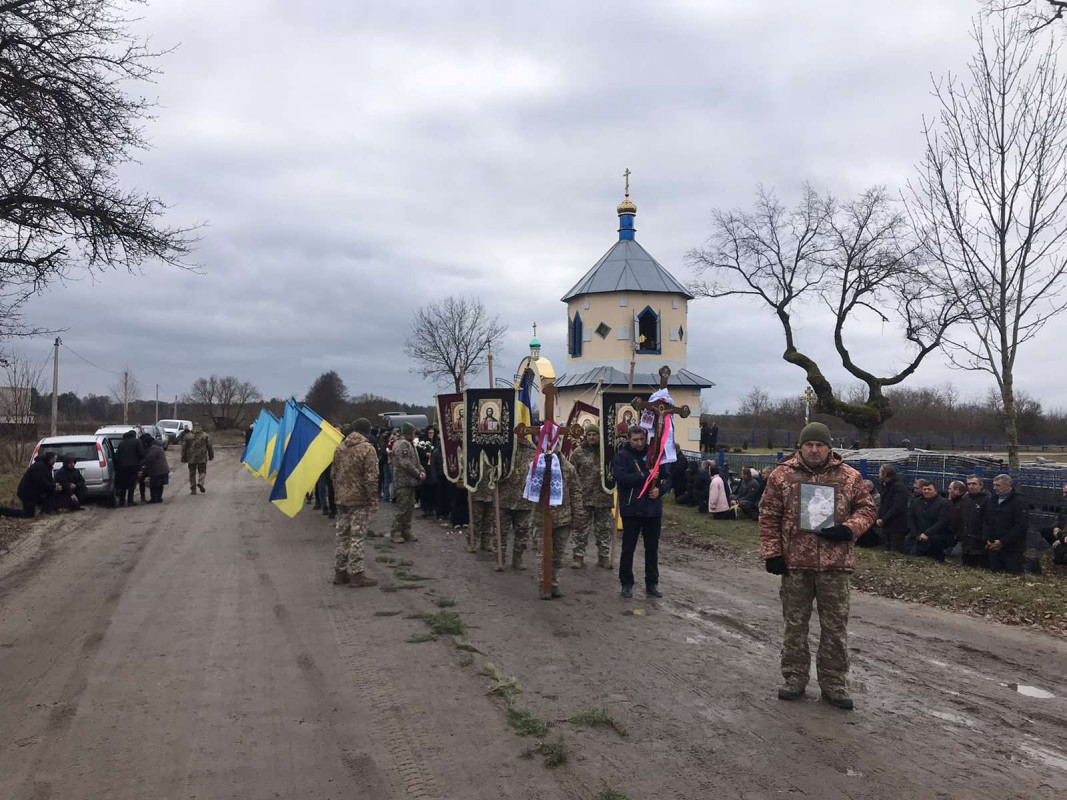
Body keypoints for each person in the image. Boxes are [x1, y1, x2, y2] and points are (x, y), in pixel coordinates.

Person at [759, 422, 876, 712]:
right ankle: (795, 677)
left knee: (835, 628)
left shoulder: (849, 477)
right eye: (808, 444)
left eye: (819, 445)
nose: (814, 450)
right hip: (795, 565)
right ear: (800, 446)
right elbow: (768, 515)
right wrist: (772, 553)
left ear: (829, 447)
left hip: (835, 565)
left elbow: (868, 509)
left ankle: (834, 682)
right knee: (795, 625)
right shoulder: (782, 475)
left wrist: (849, 529)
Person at [614, 425, 670, 599]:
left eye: (641, 439)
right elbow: (622, 479)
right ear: (628, 439)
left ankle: (652, 583)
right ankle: (627, 583)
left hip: (652, 511)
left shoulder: (655, 455)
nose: (639, 443)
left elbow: (667, 478)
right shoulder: (622, 457)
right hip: (632, 509)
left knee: (652, 549)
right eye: (635, 440)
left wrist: (659, 490)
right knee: (628, 549)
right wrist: (645, 475)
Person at [331, 419, 379, 588]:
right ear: (367, 430)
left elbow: (333, 474)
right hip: (359, 500)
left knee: (342, 535)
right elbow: (371, 478)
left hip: (341, 499)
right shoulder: (367, 449)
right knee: (357, 536)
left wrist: (338, 493)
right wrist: (373, 500)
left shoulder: (340, 448)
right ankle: (357, 574)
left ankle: (340, 572)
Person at [532, 448, 585, 598]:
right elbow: (529, 488)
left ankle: (554, 583)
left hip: (563, 518)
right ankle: (544, 585)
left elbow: (575, 492)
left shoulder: (568, 468)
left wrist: (578, 515)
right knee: (543, 553)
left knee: (558, 555)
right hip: (542, 518)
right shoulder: (536, 466)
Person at [568, 424, 613, 569]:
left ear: (599, 436)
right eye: (589, 435)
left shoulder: (606, 452)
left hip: (603, 497)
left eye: (594, 434)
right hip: (583, 497)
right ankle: (578, 556)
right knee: (580, 528)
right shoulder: (578, 453)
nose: (592, 437)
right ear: (585, 437)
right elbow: (571, 474)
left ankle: (604, 556)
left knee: (603, 529)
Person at [498, 438, 535, 570]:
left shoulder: (534, 452)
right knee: (501, 531)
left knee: (522, 531)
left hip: (525, 500)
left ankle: (517, 558)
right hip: (505, 498)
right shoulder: (504, 449)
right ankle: (500, 559)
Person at [389, 422, 424, 543]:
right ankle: (396, 532)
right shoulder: (401, 444)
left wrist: (422, 470)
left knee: (409, 508)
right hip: (403, 481)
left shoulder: (410, 444)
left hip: (411, 482)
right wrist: (417, 473)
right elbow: (405, 463)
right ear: (410, 432)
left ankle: (406, 530)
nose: (415, 434)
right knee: (402, 508)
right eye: (413, 432)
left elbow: (416, 461)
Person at [987, 474, 1028, 574]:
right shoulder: (993, 499)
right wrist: (988, 539)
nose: (994, 488)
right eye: (994, 485)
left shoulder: (1019, 501)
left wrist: (1002, 542)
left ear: (1008, 485)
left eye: (998, 485)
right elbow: (987, 520)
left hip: (1012, 547)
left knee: (1012, 573)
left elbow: (1020, 526)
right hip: (994, 545)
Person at [907, 480, 951, 561]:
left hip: (936, 536)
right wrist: (916, 534)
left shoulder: (943, 503)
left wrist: (927, 533)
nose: (926, 491)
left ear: (936, 491)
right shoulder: (916, 502)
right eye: (924, 489)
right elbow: (911, 517)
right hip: (919, 535)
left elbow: (942, 521)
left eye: (929, 489)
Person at [959, 475, 992, 568]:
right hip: (966, 542)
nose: (971, 486)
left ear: (981, 485)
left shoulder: (988, 499)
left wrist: (985, 539)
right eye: (969, 484)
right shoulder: (966, 498)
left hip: (980, 543)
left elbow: (988, 522)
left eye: (974, 484)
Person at [875, 464, 909, 553]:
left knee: (895, 551)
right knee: (887, 549)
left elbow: (898, 507)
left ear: (885, 474)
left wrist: (884, 519)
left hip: (897, 525)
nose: (878, 474)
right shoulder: (884, 485)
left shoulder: (899, 487)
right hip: (887, 525)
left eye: (880, 472)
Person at [180, 424, 214, 495]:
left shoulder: (187, 436)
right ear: (200, 428)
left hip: (191, 457)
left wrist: (183, 458)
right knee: (202, 471)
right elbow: (210, 447)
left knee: (192, 472)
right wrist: (211, 456)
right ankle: (200, 482)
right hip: (202, 457)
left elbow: (183, 448)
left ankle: (193, 489)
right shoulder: (205, 435)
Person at [1039, 482, 1067, 566]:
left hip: (1064, 535)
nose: (1064, 495)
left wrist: (1061, 538)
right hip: (1063, 533)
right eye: (1064, 492)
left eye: (1066, 493)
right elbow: (1060, 517)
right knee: (1046, 531)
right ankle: (1061, 553)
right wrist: (1056, 527)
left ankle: (1062, 554)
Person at [115, 429, 145, 506]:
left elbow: (117, 456)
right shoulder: (137, 442)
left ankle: (121, 501)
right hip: (133, 466)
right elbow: (141, 453)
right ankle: (130, 501)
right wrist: (141, 463)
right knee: (132, 484)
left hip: (122, 467)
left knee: (123, 484)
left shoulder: (121, 443)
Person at [140, 437, 170, 503]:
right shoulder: (158, 446)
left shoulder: (153, 448)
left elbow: (150, 458)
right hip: (163, 469)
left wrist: (140, 463)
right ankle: (159, 498)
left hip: (157, 470)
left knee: (154, 485)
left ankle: (154, 499)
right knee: (159, 485)